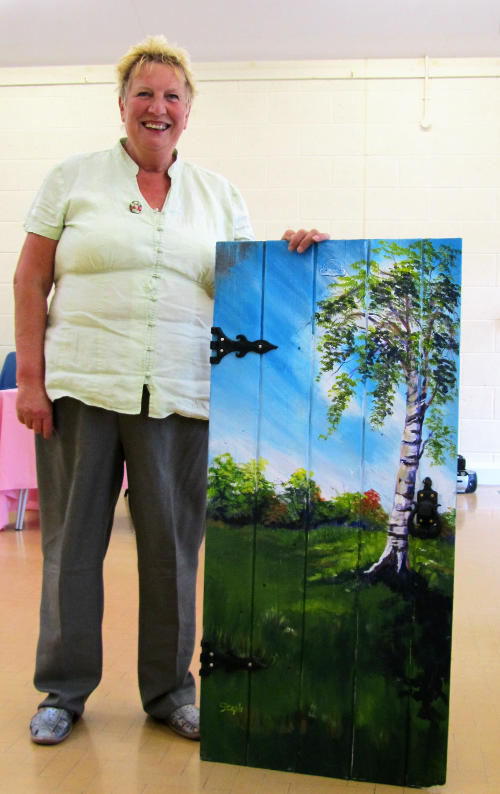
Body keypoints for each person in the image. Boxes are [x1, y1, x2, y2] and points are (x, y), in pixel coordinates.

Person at [14, 35, 329, 746]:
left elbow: (248, 293)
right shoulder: (73, 179)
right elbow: (31, 279)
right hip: (82, 389)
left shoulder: (220, 196)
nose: (158, 107)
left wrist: (300, 252)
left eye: (172, 96)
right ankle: (63, 691)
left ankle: (169, 692)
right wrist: (30, 380)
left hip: (183, 397)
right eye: (145, 94)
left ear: (188, 112)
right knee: (70, 548)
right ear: (123, 104)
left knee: (173, 552)